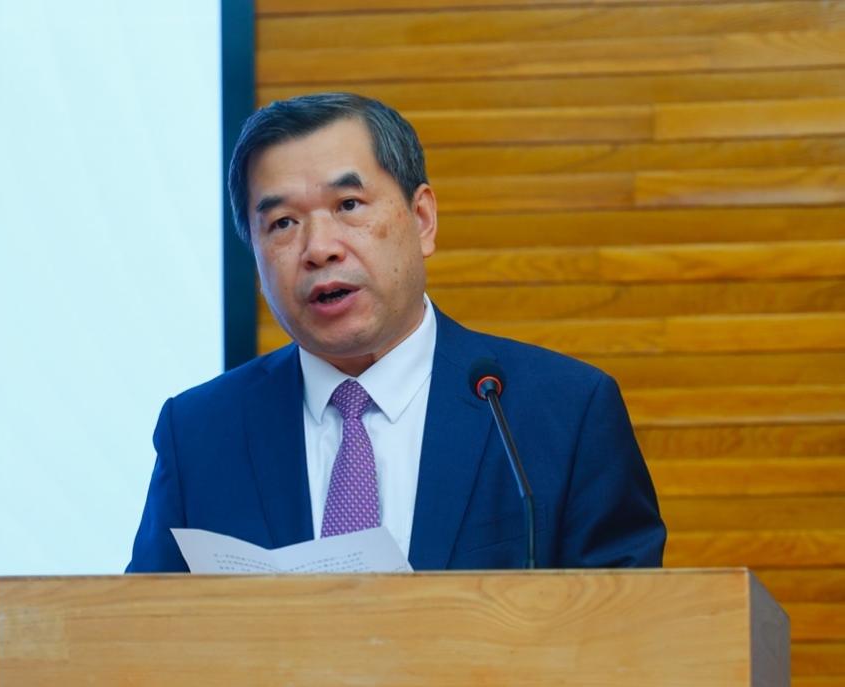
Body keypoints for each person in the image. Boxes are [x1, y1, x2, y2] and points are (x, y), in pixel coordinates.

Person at [126, 92, 665, 572]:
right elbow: (145, 630)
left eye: (349, 205)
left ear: (422, 219)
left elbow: (627, 626)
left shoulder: (561, 413)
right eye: (283, 222)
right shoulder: (200, 434)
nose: (319, 249)